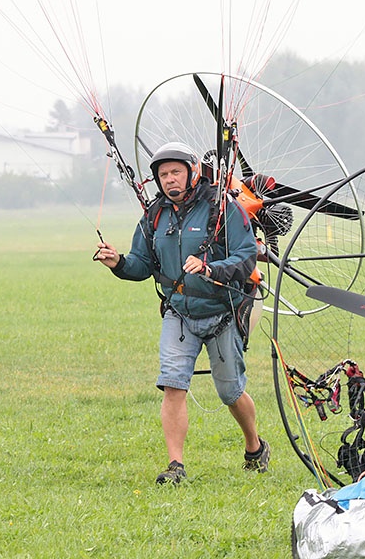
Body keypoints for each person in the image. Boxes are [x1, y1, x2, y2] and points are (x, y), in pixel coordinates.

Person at [94, 141, 270, 485]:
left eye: (176, 172)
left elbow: (246, 256)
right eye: (163, 175)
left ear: (191, 173)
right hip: (179, 314)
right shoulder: (154, 216)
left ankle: (255, 445)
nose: (170, 179)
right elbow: (141, 264)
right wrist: (118, 263)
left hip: (222, 312)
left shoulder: (223, 209)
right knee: (173, 384)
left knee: (230, 391)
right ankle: (176, 466)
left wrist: (210, 269)